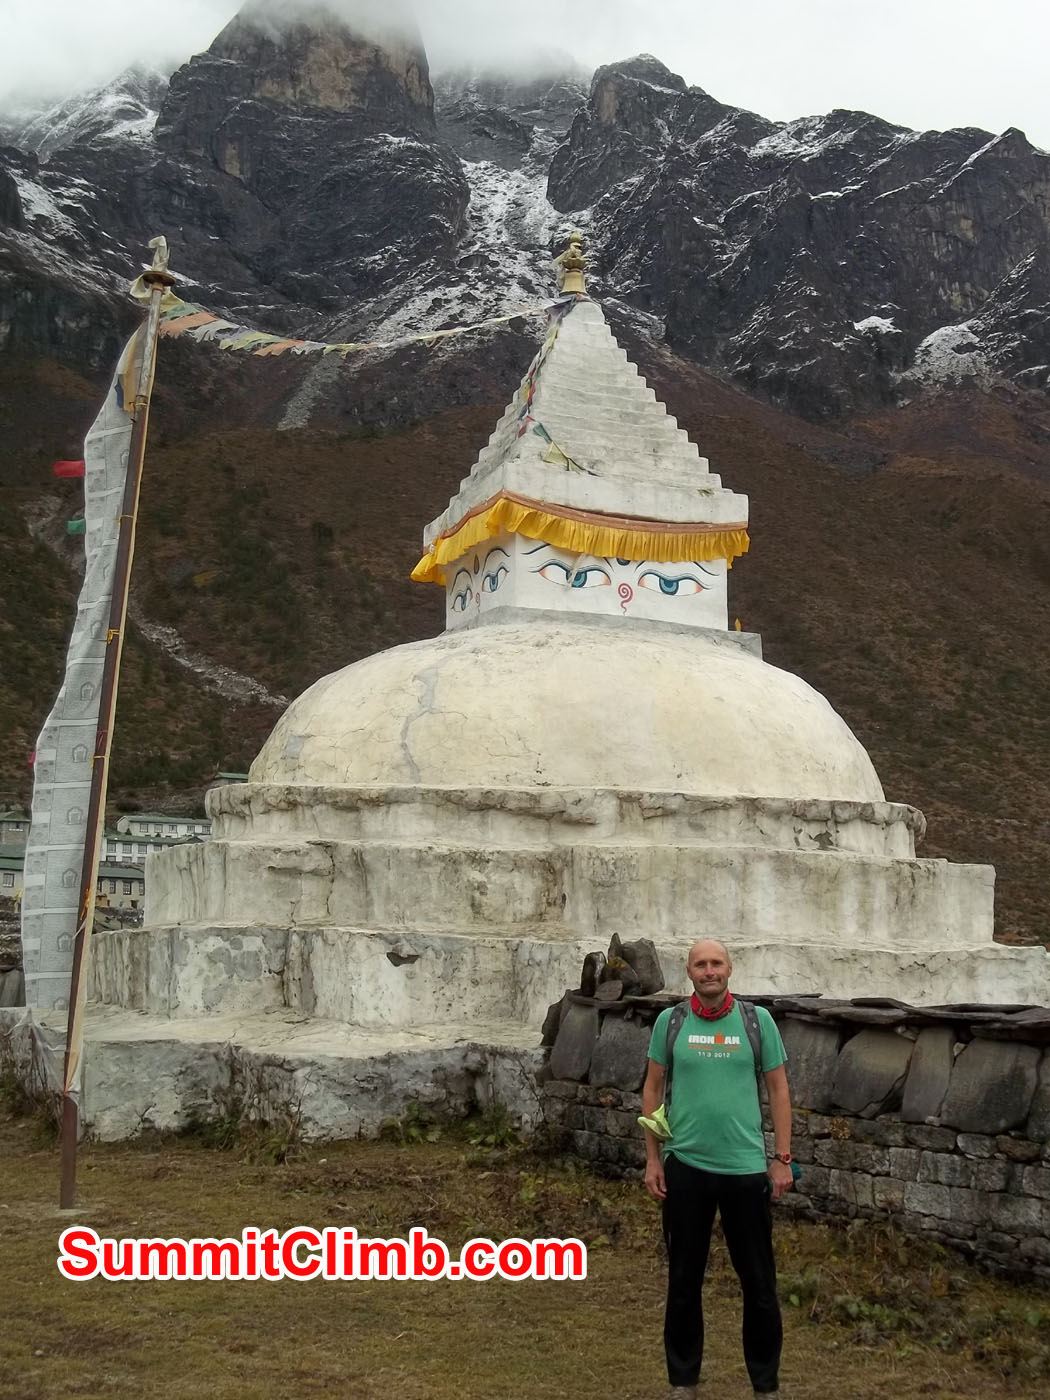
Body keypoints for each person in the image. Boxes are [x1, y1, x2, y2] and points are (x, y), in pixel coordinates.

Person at [642, 939, 793, 1399]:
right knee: (684, 1281)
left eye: (717, 963)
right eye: (700, 964)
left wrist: (782, 1159)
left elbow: (779, 1090)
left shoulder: (756, 1021)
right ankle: (683, 1382)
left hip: (746, 1171)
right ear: (689, 971)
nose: (709, 971)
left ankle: (765, 1386)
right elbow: (651, 1089)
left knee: (760, 1284)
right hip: (685, 1167)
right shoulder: (671, 1022)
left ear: (730, 969)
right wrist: (653, 1157)